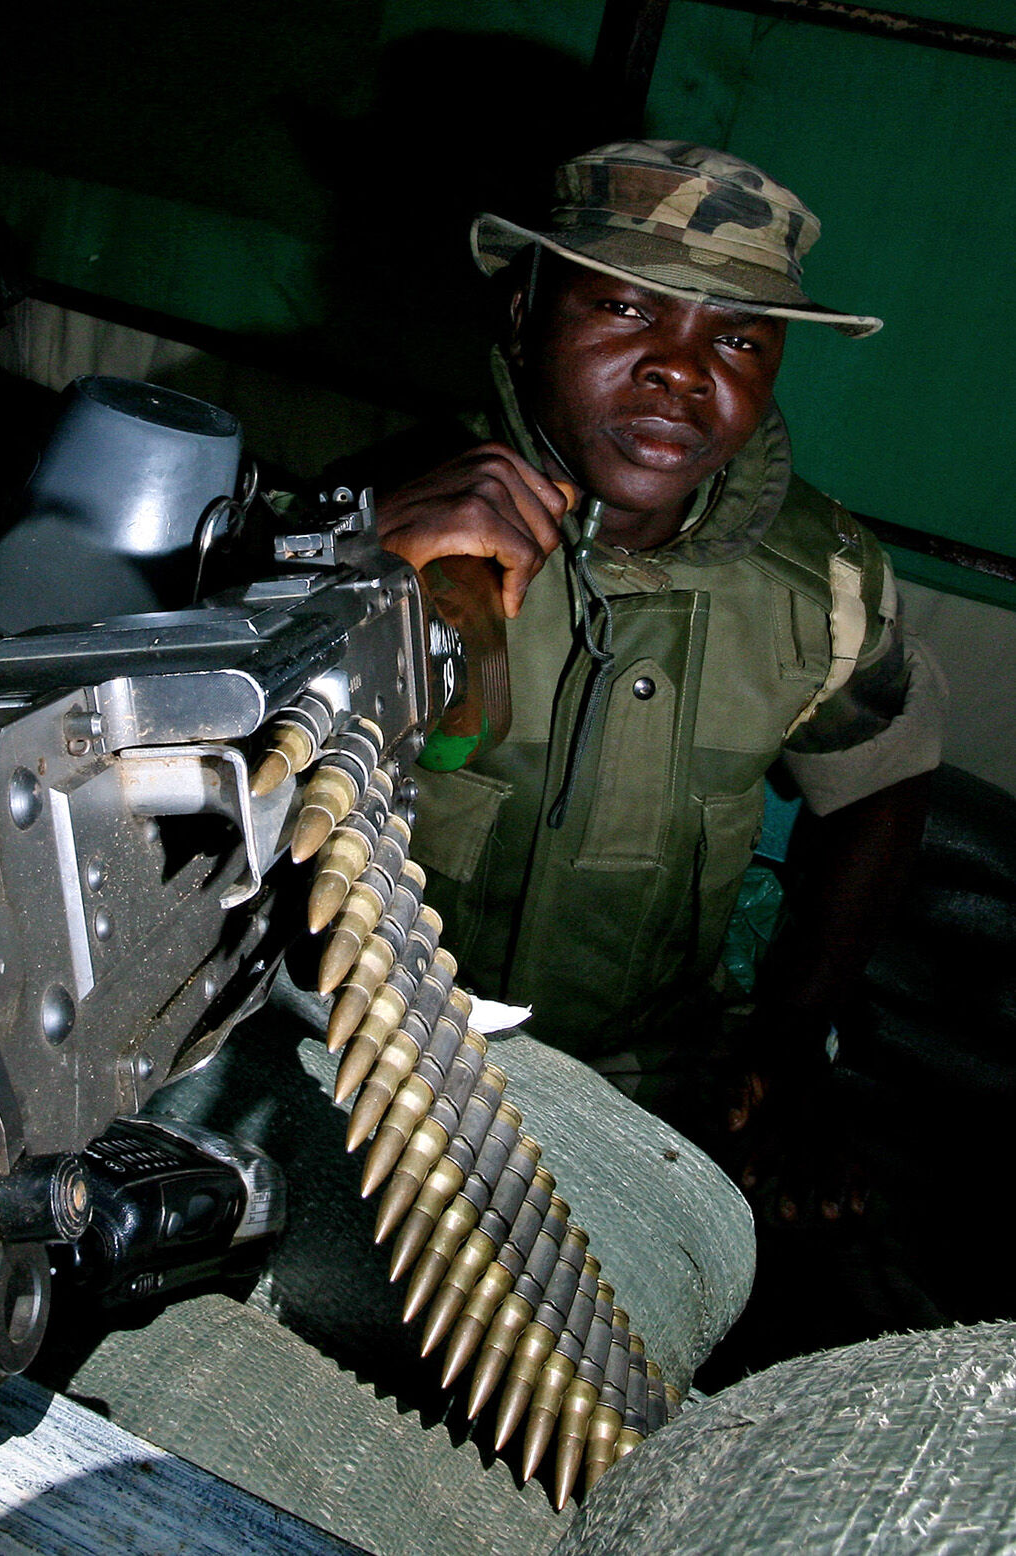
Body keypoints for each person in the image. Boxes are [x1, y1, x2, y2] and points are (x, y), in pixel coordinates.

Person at [364, 141, 947, 1218]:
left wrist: (788, 1040)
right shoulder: (386, 514)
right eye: (626, 309)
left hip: (648, 1094)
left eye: (738, 337)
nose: (682, 369)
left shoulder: (824, 580)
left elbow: (882, 787)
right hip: (366, 1051)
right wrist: (360, 566)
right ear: (524, 316)